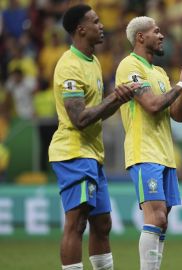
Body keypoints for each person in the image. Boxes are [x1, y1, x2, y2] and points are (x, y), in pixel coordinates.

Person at [48, 4, 137, 270]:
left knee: (103, 224)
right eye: (95, 22)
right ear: (81, 29)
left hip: (92, 154)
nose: (102, 26)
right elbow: (80, 118)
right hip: (73, 153)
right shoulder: (69, 67)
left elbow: (97, 113)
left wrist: (120, 98)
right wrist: (114, 98)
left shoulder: (94, 61)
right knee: (76, 223)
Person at [115, 16, 182, 270]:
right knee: (156, 216)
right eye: (156, 31)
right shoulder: (129, 66)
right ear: (140, 37)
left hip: (165, 154)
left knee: (162, 222)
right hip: (144, 152)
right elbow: (152, 105)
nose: (162, 35)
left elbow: (178, 114)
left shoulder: (160, 72)